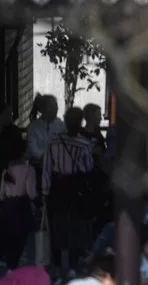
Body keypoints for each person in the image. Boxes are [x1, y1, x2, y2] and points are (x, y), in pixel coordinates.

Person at [42, 107, 94, 275]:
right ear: (80, 123)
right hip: (75, 187)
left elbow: (47, 168)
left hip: (57, 187)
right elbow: (88, 167)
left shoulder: (54, 142)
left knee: (56, 225)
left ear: (65, 121)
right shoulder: (84, 144)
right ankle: (72, 266)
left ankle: (56, 265)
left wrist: (45, 190)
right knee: (75, 225)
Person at [0, 138, 37, 269]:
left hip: (8, 207)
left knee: (9, 237)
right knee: (20, 238)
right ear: (23, 152)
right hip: (21, 207)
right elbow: (31, 192)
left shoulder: (7, 170)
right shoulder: (29, 169)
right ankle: (14, 265)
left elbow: (1, 194)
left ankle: (9, 265)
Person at [26, 95, 66, 167]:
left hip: (57, 165)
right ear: (43, 109)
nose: (56, 109)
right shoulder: (33, 127)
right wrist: (47, 158)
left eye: (56, 106)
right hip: (38, 165)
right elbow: (33, 150)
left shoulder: (61, 125)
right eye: (52, 107)